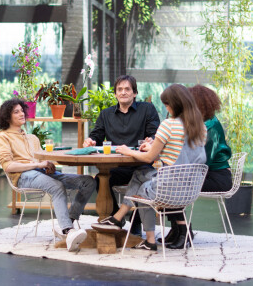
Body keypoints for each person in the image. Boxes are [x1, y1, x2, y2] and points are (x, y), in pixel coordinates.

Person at [91, 84, 207, 251]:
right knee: (140, 172)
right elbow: (178, 155)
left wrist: (126, 150)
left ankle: (149, 240)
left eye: (166, 104)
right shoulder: (199, 126)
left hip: (168, 187)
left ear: (172, 104)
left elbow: (148, 158)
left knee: (143, 190)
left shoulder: (169, 125)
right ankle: (118, 218)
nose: (166, 108)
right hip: (190, 187)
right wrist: (154, 150)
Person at [0, 98, 96, 252]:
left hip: (41, 173)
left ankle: (69, 222)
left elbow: (41, 159)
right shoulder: (3, 137)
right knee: (57, 186)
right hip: (22, 176)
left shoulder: (32, 138)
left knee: (88, 181)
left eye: (22, 110)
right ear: (7, 117)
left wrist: (47, 163)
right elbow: (8, 166)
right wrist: (37, 164)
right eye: (16, 112)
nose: (22, 114)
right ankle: (68, 231)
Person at [82, 75, 160, 235]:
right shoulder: (106, 114)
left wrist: (151, 140)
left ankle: (136, 221)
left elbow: (155, 134)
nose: (123, 92)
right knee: (101, 180)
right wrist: (90, 140)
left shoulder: (147, 109)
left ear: (134, 93)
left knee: (144, 185)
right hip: (116, 167)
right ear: (116, 94)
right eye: (120, 89)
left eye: (127, 89)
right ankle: (116, 217)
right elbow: (96, 135)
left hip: (141, 164)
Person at [162, 84, 232, 249]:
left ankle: (184, 230)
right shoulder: (197, 122)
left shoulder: (210, 125)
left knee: (173, 183)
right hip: (202, 173)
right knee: (168, 180)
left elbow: (203, 160)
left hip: (217, 177)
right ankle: (177, 229)